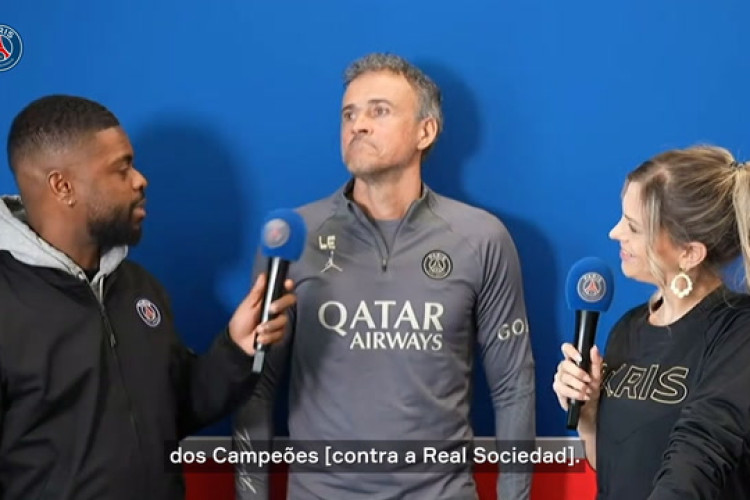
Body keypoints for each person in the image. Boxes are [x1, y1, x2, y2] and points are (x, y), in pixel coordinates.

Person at [233, 53, 536, 500]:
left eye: (379, 111)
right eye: (349, 114)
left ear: (425, 132)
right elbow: (257, 385)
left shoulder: (482, 238)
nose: (358, 125)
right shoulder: (290, 238)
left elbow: (513, 386)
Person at [0, 95, 296, 500]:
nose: (141, 180)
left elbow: (176, 409)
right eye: (121, 168)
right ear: (63, 186)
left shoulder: (140, 288)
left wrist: (236, 348)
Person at [552, 146, 750, 499]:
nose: (614, 233)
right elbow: (612, 470)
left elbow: (699, 460)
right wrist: (589, 414)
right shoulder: (628, 328)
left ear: (689, 253)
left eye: (633, 227)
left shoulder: (738, 333)